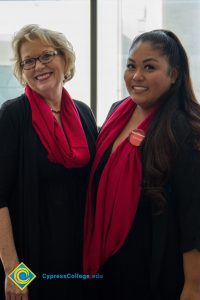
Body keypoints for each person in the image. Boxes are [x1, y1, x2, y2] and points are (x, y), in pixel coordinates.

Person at [83, 29, 200, 300]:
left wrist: (193, 288)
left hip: (154, 272)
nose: (136, 77)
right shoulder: (117, 112)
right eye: (131, 66)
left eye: (149, 67)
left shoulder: (185, 129)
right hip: (106, 264)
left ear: (174, 74)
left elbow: (194, 217)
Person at [0, 24, 98, 300]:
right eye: (28, 61)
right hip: (30, 261)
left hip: (78, 258)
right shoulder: (13, 116)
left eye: (45, 56)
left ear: (64, 59)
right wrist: (14, 273)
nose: (37, 66)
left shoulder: (83, 112)